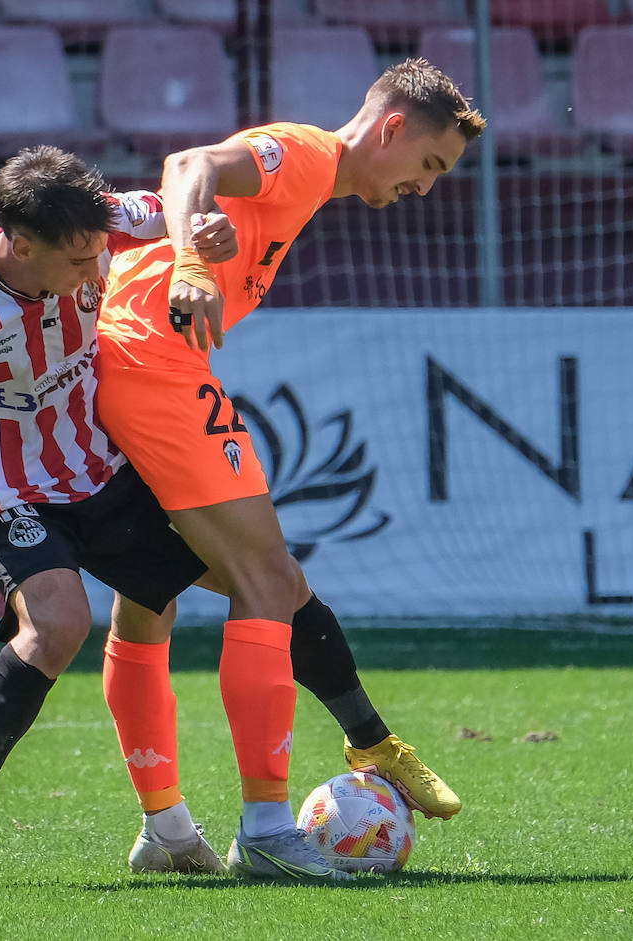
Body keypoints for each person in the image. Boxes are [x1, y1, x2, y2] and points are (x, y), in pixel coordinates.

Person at [0, 145, 458, 889]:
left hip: (103, 473)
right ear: (19, 243)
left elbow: (172, 201)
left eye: (102, 253)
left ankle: (346, 749)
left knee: (270, 580)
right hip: (11, 495)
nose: (97, 272)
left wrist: (204, 236)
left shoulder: (99, 223)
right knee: (60, 623)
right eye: (78, 264)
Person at [95, 58, 485, 880]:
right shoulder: (305, 154)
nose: (426, 186)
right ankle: (271, 828)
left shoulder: (307, 184)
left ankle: (164, 828)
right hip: (155, 367)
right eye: (429, 165)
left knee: (147, 594)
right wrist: (195, 266)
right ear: (390, 130)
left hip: (118, 361)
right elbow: (186, 166)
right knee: (269, 580)